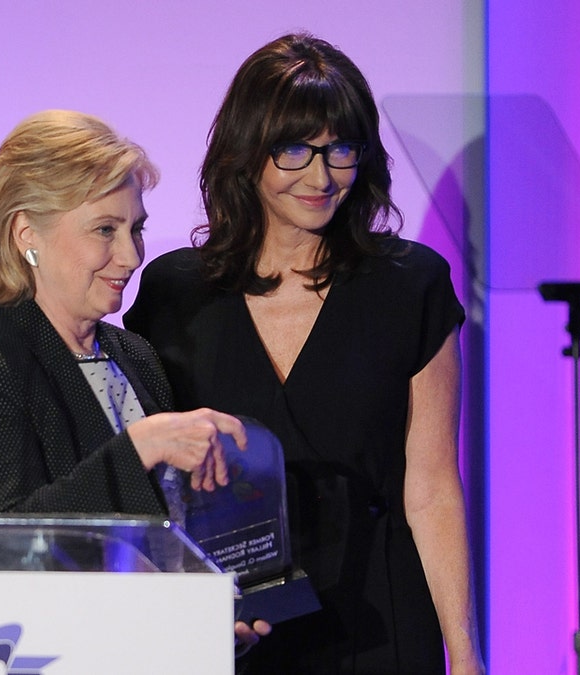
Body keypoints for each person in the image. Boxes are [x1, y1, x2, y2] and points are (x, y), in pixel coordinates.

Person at [124, 34, 484, 674]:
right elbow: (153, 485)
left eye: (340, 150)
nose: (321, 177)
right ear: (245, 153)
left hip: (381, 621)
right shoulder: (173, 292)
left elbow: (431, 488)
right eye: (294, 150)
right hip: (230, 628)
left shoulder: (412, 285)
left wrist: (466, 654)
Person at [0, 109, 270, 650]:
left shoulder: (134, 355)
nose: (130, 256)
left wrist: (209, 616)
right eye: (105, 230)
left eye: (136, 229)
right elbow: (1, 549)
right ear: (26, 234)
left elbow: (161, 538)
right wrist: (140, 447)